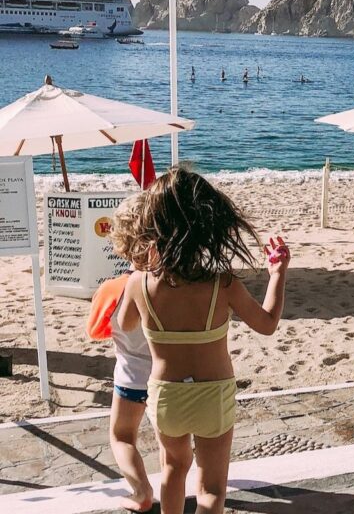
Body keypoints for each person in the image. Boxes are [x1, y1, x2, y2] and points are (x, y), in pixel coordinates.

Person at [117, 167, 290, 514]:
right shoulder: (221, 284)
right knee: (211, 489)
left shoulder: (139, 283)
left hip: (167, 395)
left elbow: (124, 323)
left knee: (173, 469)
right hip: (214, 395)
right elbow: (268, 323)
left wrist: (138, 275)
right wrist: (277, 275)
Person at [102, 193, 155, 513]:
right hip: (170, 376)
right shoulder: (171, 285)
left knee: (122, 436)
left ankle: (141, 490)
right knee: (170, 443)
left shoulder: (116, 288)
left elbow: (99, 329)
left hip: (131, 377)